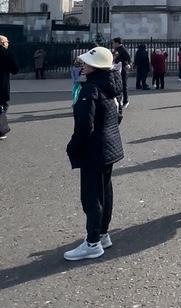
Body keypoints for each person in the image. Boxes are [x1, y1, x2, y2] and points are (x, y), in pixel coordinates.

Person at [64, 46, 124, 261]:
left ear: (95, 66)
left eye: (87, 63)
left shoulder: (90, 89)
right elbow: (118, 116)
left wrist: (73, 147)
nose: (84, 66)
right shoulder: (111, 85)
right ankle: (102, 234)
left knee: (91, 197)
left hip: (95, 150)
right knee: (105, 192)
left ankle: (92, 243)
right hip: (109, 147)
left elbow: (83, 126)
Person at [0, 35, 19, 140]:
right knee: (2, 106)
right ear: (3, 43)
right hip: (2, 85)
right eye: (7, 42)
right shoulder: (7, 53)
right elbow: (15, 69)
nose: (8, 43)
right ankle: (1, 130)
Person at [111, 37, 131, 108]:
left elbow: (128, 58)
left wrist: (128, 64)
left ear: (117, 43)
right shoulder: (116, 49)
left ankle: (126, 101)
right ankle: (119, 100)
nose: (112, 44)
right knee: (118, 85)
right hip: (116, 69)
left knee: (123, 85)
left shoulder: (123, 49)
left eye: (113, 43)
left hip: (122, 69)